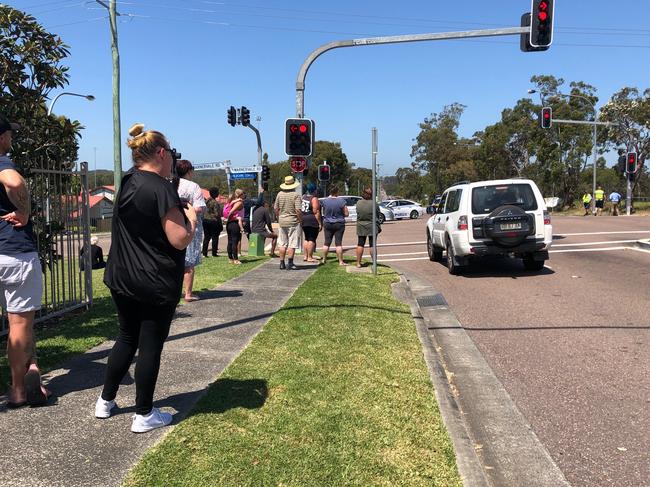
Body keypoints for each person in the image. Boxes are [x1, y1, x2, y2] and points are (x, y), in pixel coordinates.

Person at [97, 123, 197, 433]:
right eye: (171, 155)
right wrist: (191, 220)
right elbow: (179, 238)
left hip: (122, 276)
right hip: (153, 280)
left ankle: (105, 400)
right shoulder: (161, 187)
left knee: (126, 337)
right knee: (151, 343)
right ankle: (144, 414)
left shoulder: (127, 181)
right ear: (162, 153)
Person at [0, 112, 50, 408]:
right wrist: (25, 212)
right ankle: (19, 389)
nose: (11, 139)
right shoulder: (4, 163)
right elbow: (14, 183)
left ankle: (31, 367)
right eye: (9, 135)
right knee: (19, 324)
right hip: (13, 251)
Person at [176, 160, 205, 302]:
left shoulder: (169, 184)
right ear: (189, 171)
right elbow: (199, 208)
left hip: (172, 225)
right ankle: (188, 293)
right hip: (190, 226)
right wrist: (188, 207)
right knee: (189, 261)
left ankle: (174, 292)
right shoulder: (193, 187)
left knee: (175, 261)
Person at [273, 175, 302, 270]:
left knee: (282, 243)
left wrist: (278, 217)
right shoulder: (296, 195)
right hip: (292, 221)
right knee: (292, 243)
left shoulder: (279, 194)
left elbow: (276, 208)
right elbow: (298, 210)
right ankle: (290, 262)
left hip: (282, 221)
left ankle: (281, 263)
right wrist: (300, 220)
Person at [320, 185, 348, 265]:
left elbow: (324, 212)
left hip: (328, 222)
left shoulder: (325, 201)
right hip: (339, 223)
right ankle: (340, 261)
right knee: (338, 243)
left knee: (327, 242)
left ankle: (324, 259)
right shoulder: (341, 201)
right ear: (337, 192)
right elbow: (346, 213)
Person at [355, 187, 381, 268]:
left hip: (361, 225)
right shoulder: (374, 203)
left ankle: (358, 263)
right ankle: (374, 263)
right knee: (372, 245)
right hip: (372, 225)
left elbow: (357, 212)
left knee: (360, 244)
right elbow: (378, 214)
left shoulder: (358, 203)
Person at [301, 182, 321, 263]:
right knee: (312, 239)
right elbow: (316, 212)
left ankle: (305, 256)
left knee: (306, 238)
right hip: (311, 220)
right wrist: (319, 223)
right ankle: (310, 257)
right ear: (314, 190)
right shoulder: (314, 199)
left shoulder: (303, 197)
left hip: (304, 218)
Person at [224, 189, 245, 265]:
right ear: (241, 195)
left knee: (230, 241)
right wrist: (228, 218)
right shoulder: (238, 202)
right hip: (234, 224)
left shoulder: (231, 202)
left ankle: (230, 258)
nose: (244, 195)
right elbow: (231, 211)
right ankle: (235, 259)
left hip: (230, 224)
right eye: (243, 194)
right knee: (234, 241)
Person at [202, 187, 223, 257]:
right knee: (215, 237)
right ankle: (214, 253)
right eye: (217, 192)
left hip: (205, 220)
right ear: (214, 193)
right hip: (213, 221)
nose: (218, 193)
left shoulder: (206, 201)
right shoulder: (215, 203)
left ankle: (204, 252)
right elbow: (217, 214)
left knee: (206, 237)